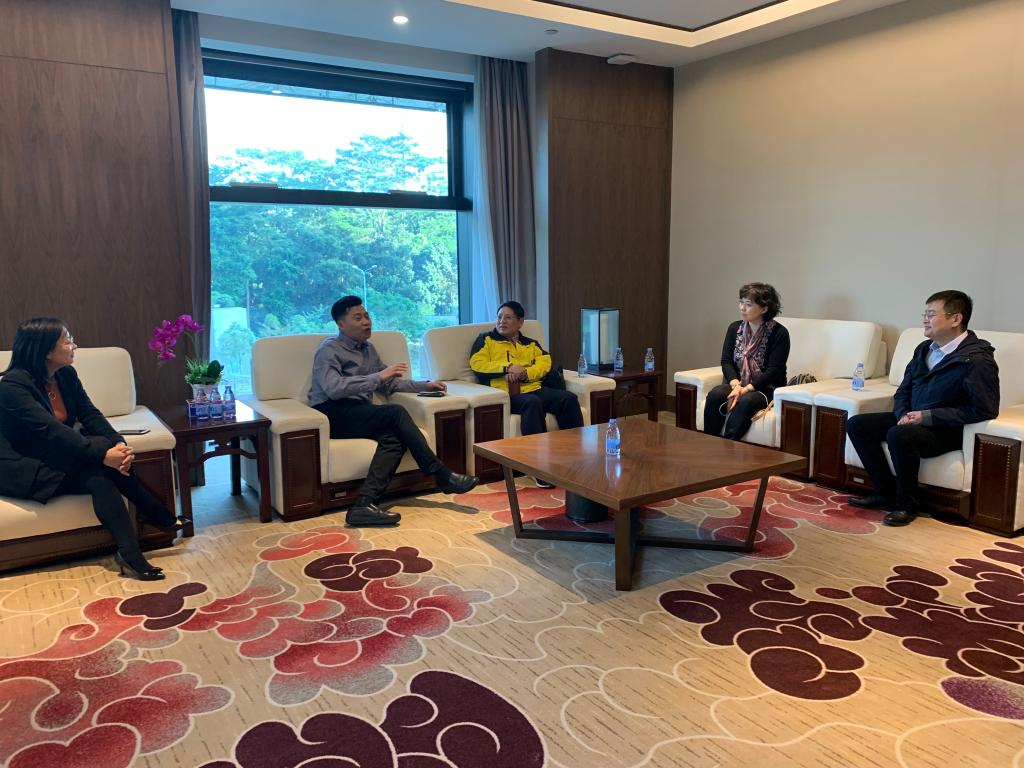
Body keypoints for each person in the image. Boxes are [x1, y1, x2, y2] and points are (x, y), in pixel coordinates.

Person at [0, 318, 185, 581]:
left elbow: (89, 414)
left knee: (100, 472)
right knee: (99, 469)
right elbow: (51, 431)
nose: (74, 345)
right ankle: (156, 518)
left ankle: (133, 549)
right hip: (23, 465)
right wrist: (103, 454)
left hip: (56, 454)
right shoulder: (12, 387)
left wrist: (119, 443)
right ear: (46, 350)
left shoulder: (65, 374)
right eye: (67, 340)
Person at [309, 296, 479, 527]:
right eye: (358, 318)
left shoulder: (368, 349)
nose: (366, 322)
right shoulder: (329, 350)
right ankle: (441, 475)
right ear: (341, 324)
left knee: (394, 439)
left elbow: (389, 383)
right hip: (331, 413)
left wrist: (424, 385)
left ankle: (363, 505)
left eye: (367, 316)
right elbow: (334, 388)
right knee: (394, 412)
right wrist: (378, 376)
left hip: (359, 412)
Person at [847, 290, 999, 526]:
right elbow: (903, 391)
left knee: (899, 434)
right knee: (858, 424)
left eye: (931, 314)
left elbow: (984, 408)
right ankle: (884, 492)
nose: (924, 320)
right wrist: (903, 415)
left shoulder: (976, 359)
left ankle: (906, 505)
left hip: (946, 429)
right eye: (924, 314)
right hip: (912, 420)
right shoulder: (924, 349)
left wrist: (927, 416)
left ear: (956, 319)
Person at [469, 301, 583, 488]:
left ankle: (576, 457)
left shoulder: (530, 344)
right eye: (499, 317)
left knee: (568, 399)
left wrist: (526, 373)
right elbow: (477, 364)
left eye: (507, 317)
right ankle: (538, 468)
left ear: (520, 322)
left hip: (533, 387)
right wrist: (507, 367)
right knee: (532, 402)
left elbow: (545, 363)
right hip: (505, 394)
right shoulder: (486, 340)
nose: (501, 321)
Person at [703, 283, 790, 441]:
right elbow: (726, 361)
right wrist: (736, 385)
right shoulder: (734, 328)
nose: (742, 307)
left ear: (764, 308)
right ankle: (710, 443)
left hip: (765, 388)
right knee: (716, 394)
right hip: (738, 384)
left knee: (746, 400)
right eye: (741, 302)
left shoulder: (780, 333)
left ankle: (728, 446)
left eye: (748, 304)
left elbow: (774, 370)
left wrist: (746, 389)